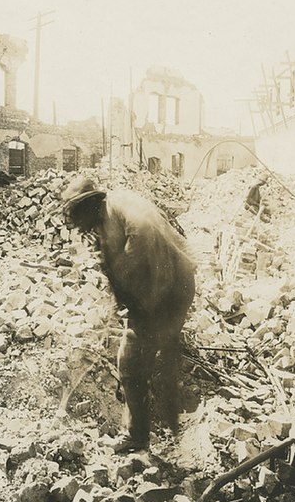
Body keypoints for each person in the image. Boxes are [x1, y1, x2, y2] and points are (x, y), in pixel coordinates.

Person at [61, 176, 196, 453]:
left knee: (131, 361)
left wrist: (126, 272)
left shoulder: (118, 203)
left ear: (88, 205)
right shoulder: (103, 221)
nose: (78, 226)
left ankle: (141, 436)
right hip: (163, 289)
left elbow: (143, 233)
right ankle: (158, 427)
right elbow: (114, 270)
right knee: (142, 358)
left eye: (77, 215)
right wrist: (121, 299)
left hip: (168, 288)